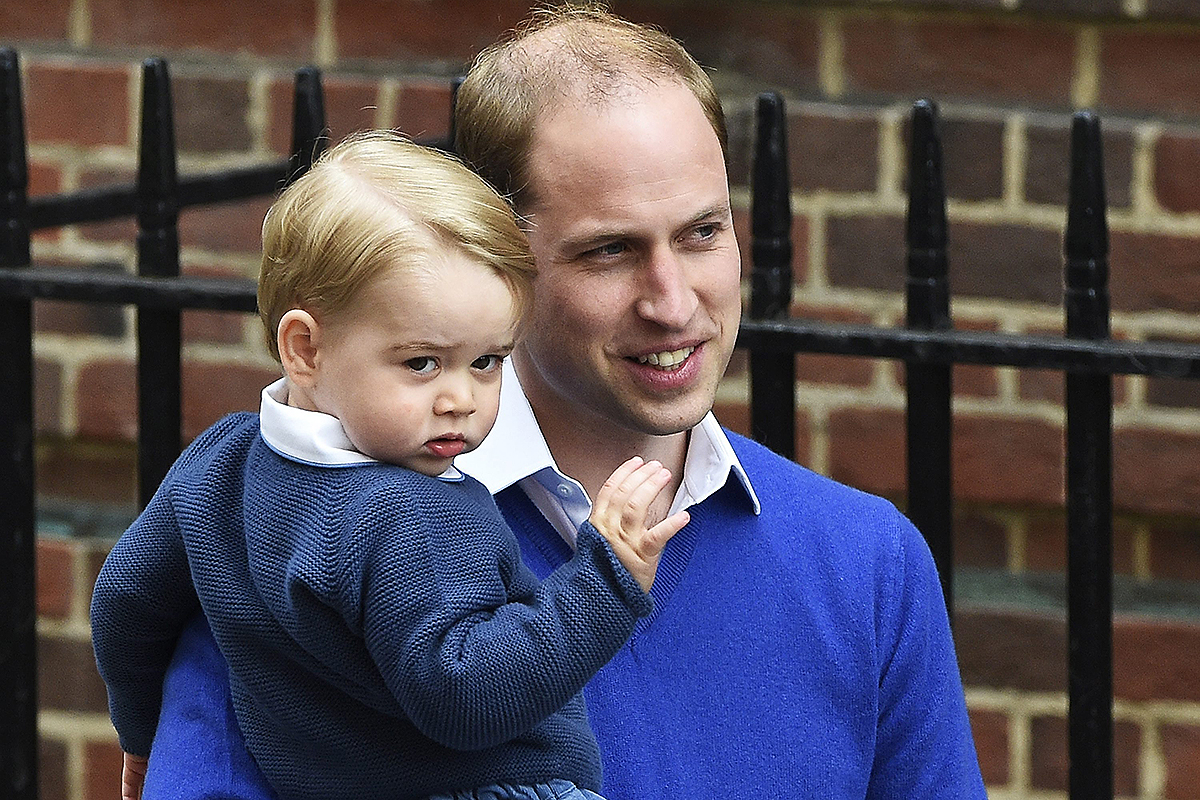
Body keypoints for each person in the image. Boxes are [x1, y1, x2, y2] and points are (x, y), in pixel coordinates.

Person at [134, 4, 988, 797]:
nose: (673, 300)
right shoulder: (286, 535)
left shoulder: (869, 563)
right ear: (500, 256)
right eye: (610, 250)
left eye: (702, 232)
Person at [90, 131, 691, 800]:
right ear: (306, 349)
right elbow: (465, 694)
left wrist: (140, 736)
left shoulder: (218, 464)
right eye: (422, 363)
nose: (460, 399)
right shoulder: (413, 512)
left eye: (488, 361)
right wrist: (605, 581)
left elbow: (125, 602)